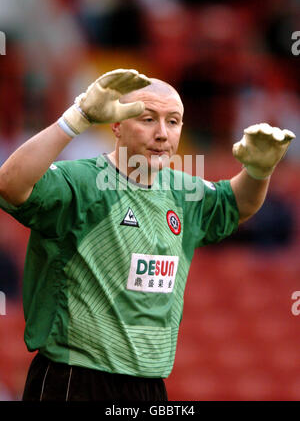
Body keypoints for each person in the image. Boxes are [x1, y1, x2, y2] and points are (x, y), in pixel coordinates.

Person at [0, 69, 295, 402]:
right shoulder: (82, 182)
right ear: (116, 125)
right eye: (147, 119)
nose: (162, 134)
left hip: (149, 384)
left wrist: (257, 172)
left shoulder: (184, 192)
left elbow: (235, 204)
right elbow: (10, 185)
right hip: (74, 377)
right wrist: (77, 118)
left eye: (173, 121)